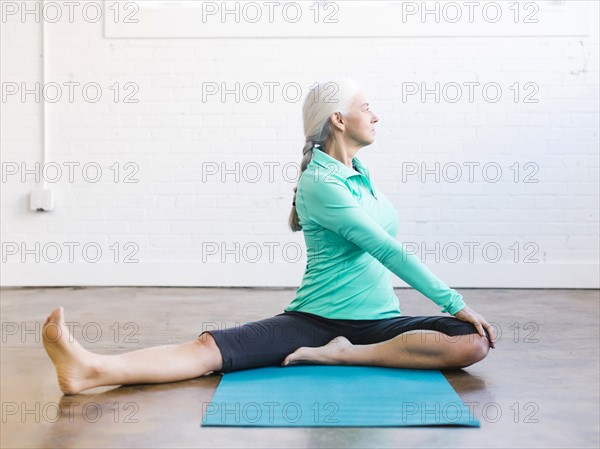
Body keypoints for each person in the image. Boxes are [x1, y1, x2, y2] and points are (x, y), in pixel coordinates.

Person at [42, 78, 496, 395]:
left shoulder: (359, 172)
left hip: (377, 322)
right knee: (208, 350)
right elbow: (383, 247)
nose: (376, 115)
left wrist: (452, 316)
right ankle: (91, 369)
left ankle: (345, 355)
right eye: (366, 107)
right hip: (315, 319)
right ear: (338, 119)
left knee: (470, 341)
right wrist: (454, 301)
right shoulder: (323, 183)